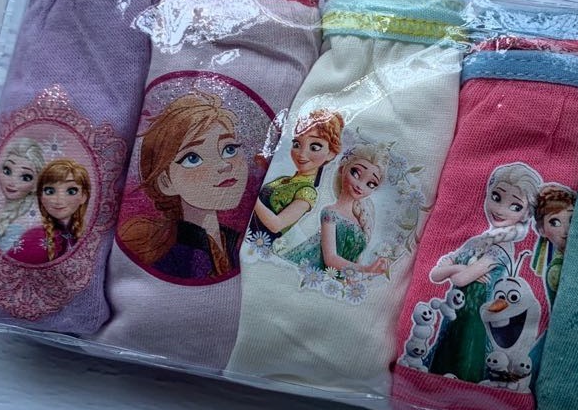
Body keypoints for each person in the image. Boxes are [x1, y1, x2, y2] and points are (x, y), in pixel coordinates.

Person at [423, 162, 542, 383]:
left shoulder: (501, 248)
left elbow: (460, 279)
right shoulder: (477, 241)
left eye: (515, 206)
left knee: (465, 369)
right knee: (442, 367)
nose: (500, 209)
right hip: (456, 317)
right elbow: (435, 275)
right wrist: (459, 268)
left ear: (527, 214)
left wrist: (456, 269)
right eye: (496, 197)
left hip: (476, 324)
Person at [119, 92, 249, 281]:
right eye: (193, 158)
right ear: (166, 182)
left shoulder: (234, 243)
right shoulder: (175, 258)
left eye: (229, 149)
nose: (224, 165)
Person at [280, 142, 391, 276]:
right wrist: (366, 269)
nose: (360, 186)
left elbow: (351, 257)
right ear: (342, 169)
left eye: (371, 184)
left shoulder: (360, 220)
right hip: (313, 270)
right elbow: (331, 259)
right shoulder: (330, 213)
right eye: (356, 173)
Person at [249, 109, 343, 238]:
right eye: (297, 144)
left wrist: (252, 196)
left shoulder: (307, 192)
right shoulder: (284, 179)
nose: (302, 154)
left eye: (314, 147)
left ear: (331, 153)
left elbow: (276, 225)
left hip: (258, 240)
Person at [7, 159, 91, 264]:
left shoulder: (85, 235)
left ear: (84, 196)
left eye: (71, 191)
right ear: (41, 197)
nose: (59, 200)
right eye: (50, 191)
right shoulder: (35, 238)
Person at [0, 137, 46, 252]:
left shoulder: (21, 226)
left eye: (25, 177)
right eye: (7, 171)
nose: (12, 182)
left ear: (36, 185)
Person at [530, 183, 576, 305]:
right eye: (555, 222)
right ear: (541, 230)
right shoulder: (556, 271)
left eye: (572, 219)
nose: (566, 230)